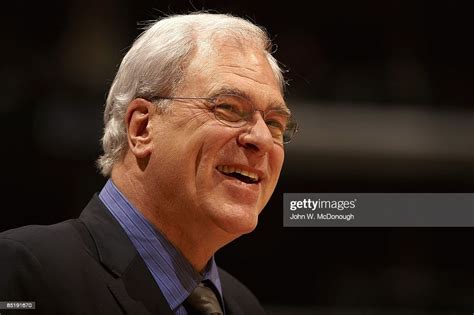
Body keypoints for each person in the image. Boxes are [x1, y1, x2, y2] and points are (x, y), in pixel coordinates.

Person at [0, 12, 297, 314]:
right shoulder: (24, 271)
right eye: (229, 109)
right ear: (141, 129)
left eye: (274, 123)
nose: (261, 138)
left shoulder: (243, 306)